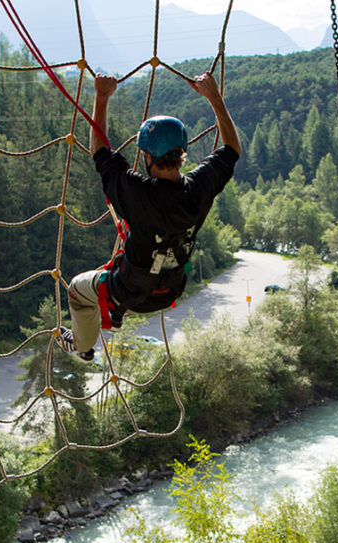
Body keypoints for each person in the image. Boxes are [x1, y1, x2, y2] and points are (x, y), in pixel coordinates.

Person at [59, 71, 241, 361]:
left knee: (78, 289)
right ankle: (116, 314)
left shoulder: (136, 192)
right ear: (182, 152)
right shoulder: (199, 190)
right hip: (170, 291)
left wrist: (102, 97)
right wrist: (214, 97)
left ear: (145, 155)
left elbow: (100, 152)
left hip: (128, 291)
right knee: (133, 279)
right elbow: (231, 149)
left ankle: (82, 347)